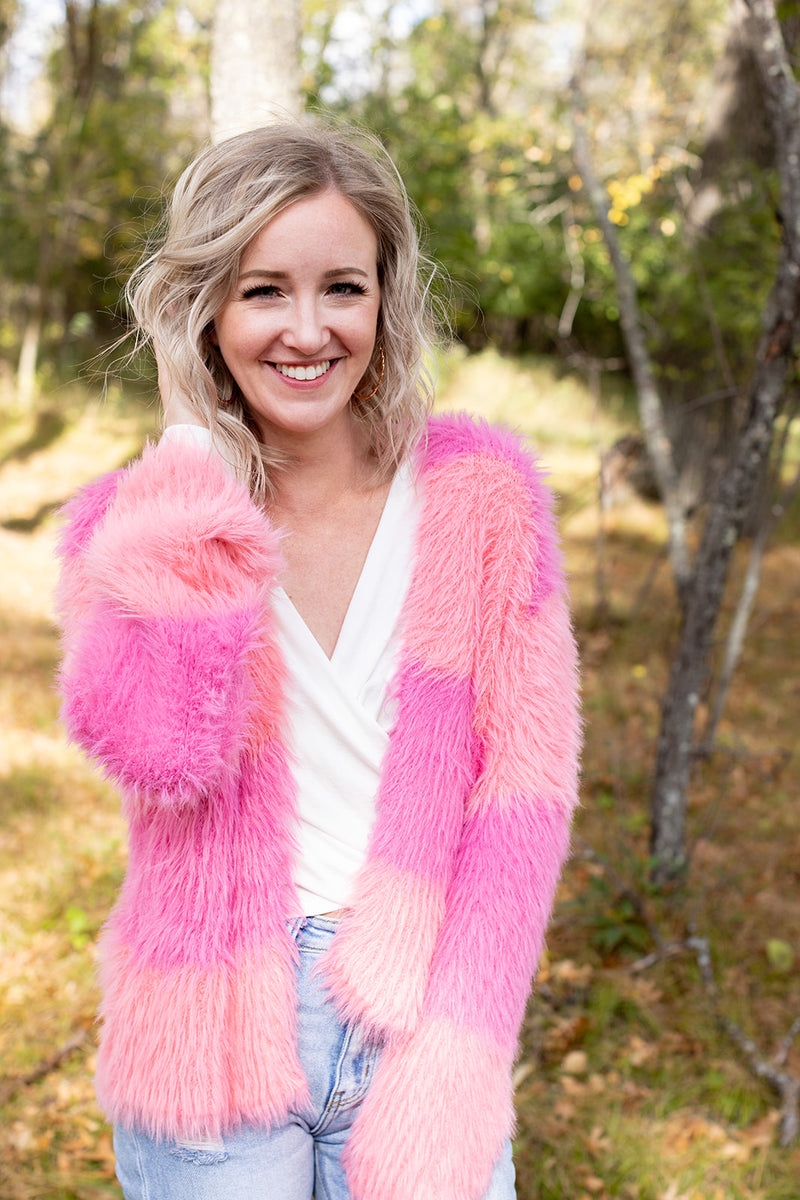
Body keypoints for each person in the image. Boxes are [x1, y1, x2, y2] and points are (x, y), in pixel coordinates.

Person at [56, 121, 581, 1200]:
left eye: (340, 285)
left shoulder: (478, 498)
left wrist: (460, 1045)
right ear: (201, 306)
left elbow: (522, 801)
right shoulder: (135, 523)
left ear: (384, 297)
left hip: (415, 1004)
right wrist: (190, 467)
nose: (306, 330)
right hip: (208, 1030)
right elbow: (163, 752)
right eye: (260, 291)